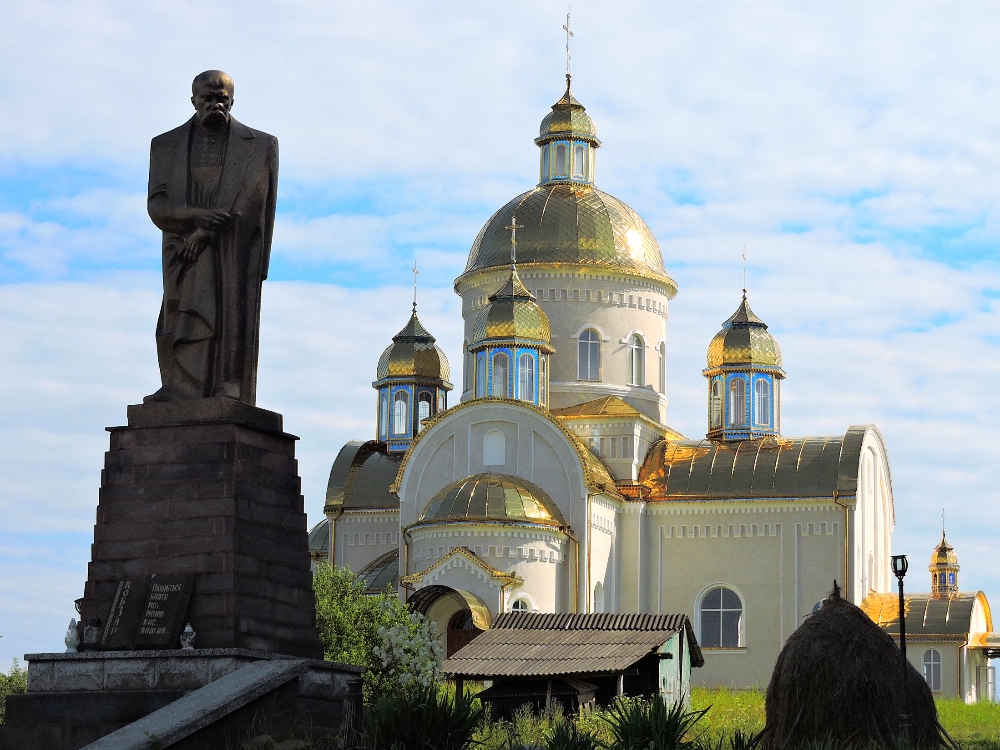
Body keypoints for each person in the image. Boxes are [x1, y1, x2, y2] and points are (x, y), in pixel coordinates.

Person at [144, 70, 278, 405]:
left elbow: (253, 198)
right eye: (208, 97)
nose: (215, 103)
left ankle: (227, 383)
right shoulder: (165, 145)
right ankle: (179, 386)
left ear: (232, 100)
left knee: (231, 311)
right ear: (193, 100)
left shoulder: (260, 144)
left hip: (233, 247)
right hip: (181, 248)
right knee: (179, 311)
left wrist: (205, 233)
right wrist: (194, 218)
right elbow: (157, 203)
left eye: (222, 97)